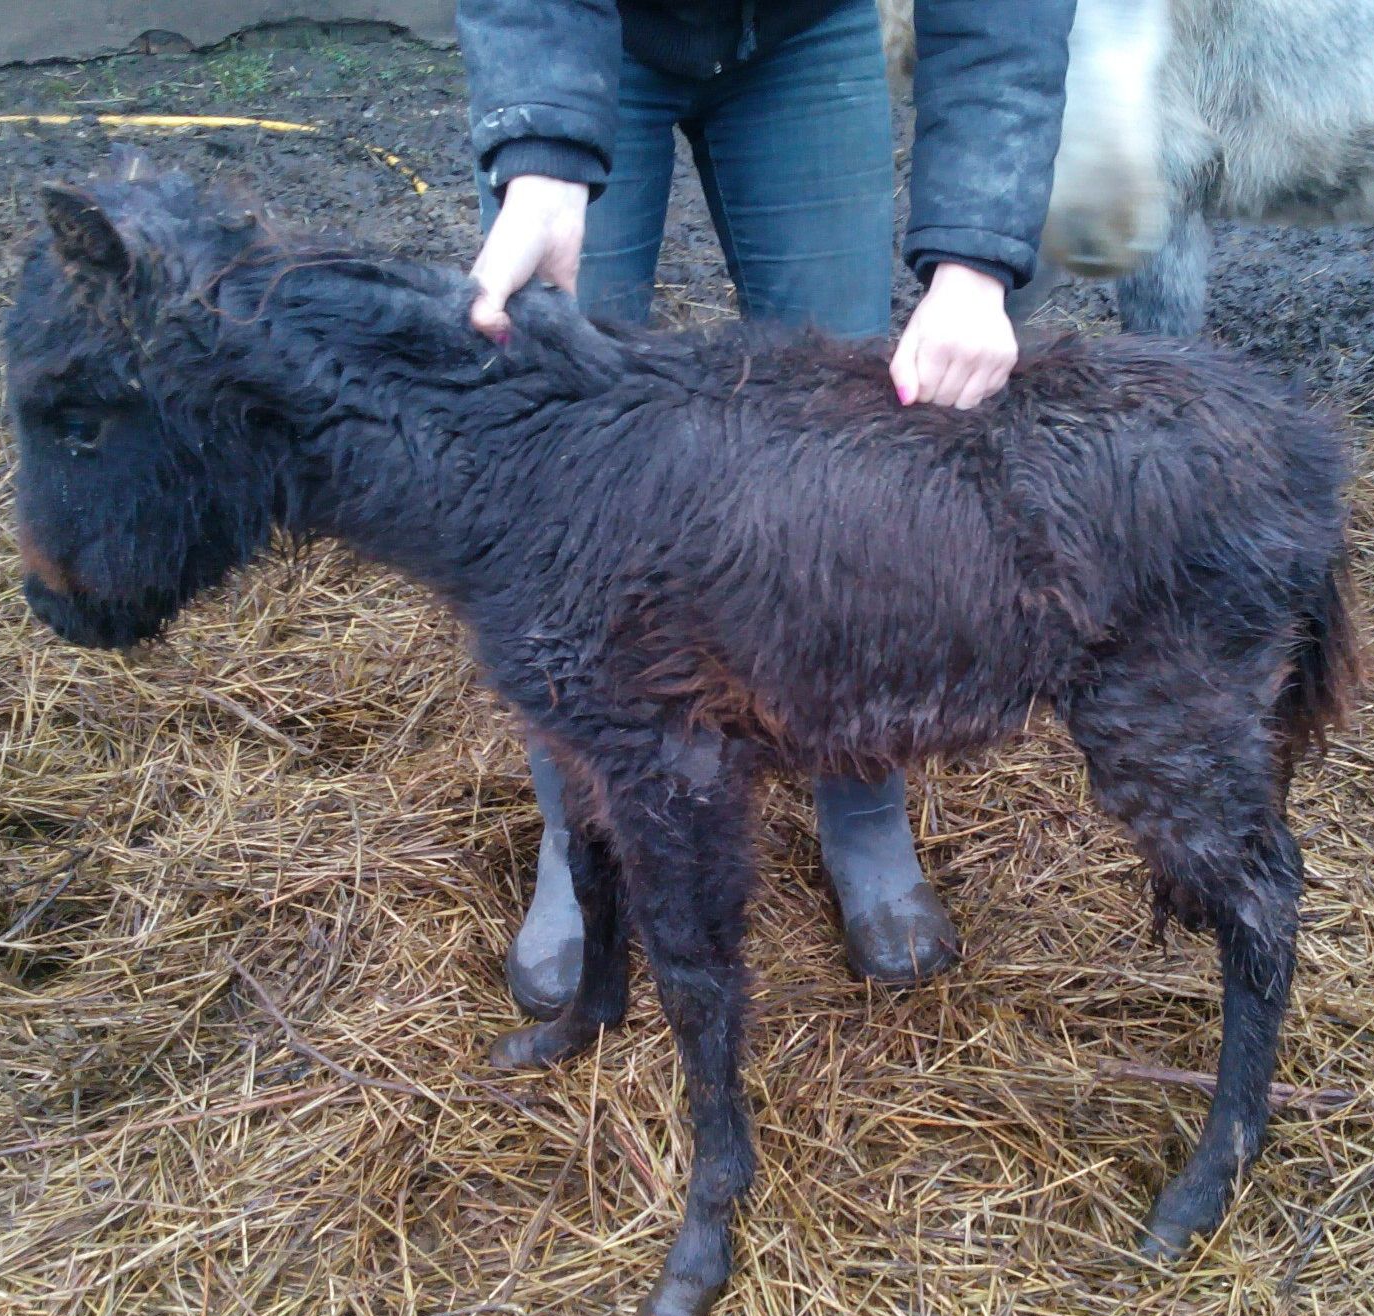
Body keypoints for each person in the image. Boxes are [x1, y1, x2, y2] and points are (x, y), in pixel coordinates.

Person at [456, 0, 1074, 1019]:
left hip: (801, 31)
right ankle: (584, 839)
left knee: (848, 459)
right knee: (549, 458)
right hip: (589, 27)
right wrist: (541, 145)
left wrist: (975, 256)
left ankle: (864, 808)